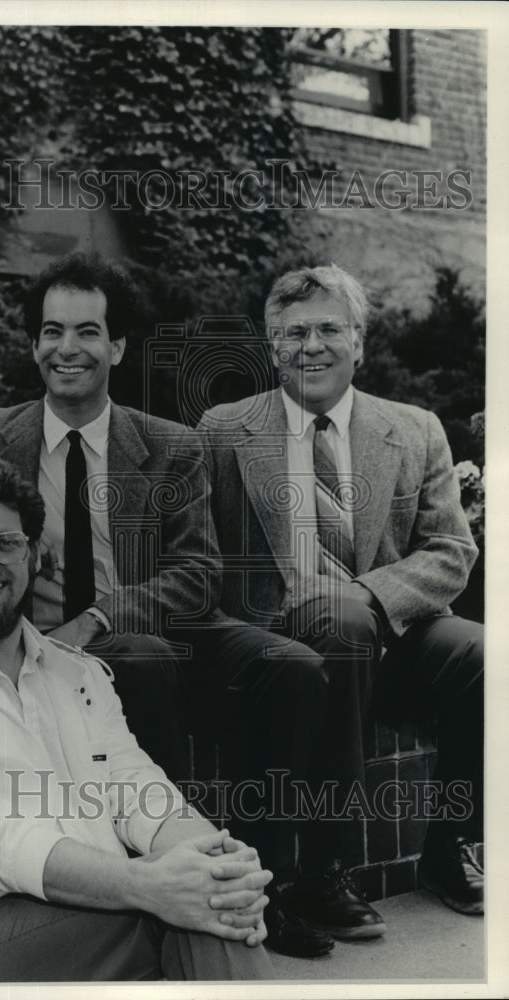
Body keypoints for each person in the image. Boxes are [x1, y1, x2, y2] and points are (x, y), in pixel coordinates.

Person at [0, 456, 275, 982]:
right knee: (188, 916)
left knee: (210, 901)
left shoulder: (78, 674)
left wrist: (212, 861)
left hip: (93, 912)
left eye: (6, 543)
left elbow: (137, 789)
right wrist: (150, 886)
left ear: (36, 555)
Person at [0, 253, 322, 808]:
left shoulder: (170, 445)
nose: (66, 348)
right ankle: (163, 856)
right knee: (143, 660)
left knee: (294, 668)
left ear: (117, 348)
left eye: (87, 332)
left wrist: (98, 619)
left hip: (154, 633)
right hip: (42, 646)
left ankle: (271, 873)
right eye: (52, 332)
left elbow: (197, 575)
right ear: (32, 346)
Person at [199, 264, 484, 950]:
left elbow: (451, 551)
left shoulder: (413, 430)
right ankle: (324, 871)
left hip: (389, 634)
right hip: (288, 645)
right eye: (293, 333)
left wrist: (369, 595)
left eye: (329, 328)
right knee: (339, 622)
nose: (311, 345)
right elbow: (198, 552)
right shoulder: (226, 429)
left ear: (358, 341)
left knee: (485, 654)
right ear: (272, 349)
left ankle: (447, 844)